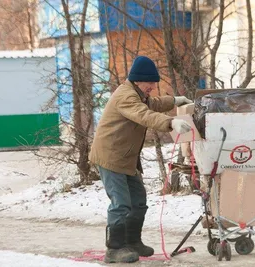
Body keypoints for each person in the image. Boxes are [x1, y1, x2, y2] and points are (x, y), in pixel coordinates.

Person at [88, 55, 193, 264]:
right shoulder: (126, 97)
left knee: (138, 202)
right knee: (121, 204)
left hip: (126, 158)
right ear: (138, 80)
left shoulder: (137, 93)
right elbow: (143, 114)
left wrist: (174, 101)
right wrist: (171, 123)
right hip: (111, 157)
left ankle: (132, 242)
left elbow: (152, 104)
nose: (153, 87)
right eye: (151, 83)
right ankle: (114, 249)